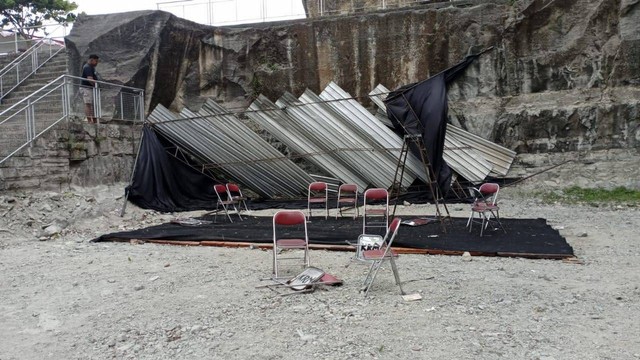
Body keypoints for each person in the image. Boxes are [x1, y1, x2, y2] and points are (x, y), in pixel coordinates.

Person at [81, 54, 100, 123]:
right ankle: (89, 120)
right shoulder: (87, 67)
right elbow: (90, 79)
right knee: (88, 103)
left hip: (91, 88)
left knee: (93, 104)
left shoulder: (91, 67)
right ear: (92, 60)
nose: (97, 63)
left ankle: (94, 119)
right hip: (87, 88)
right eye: (96, 61)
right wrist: (96, 84)